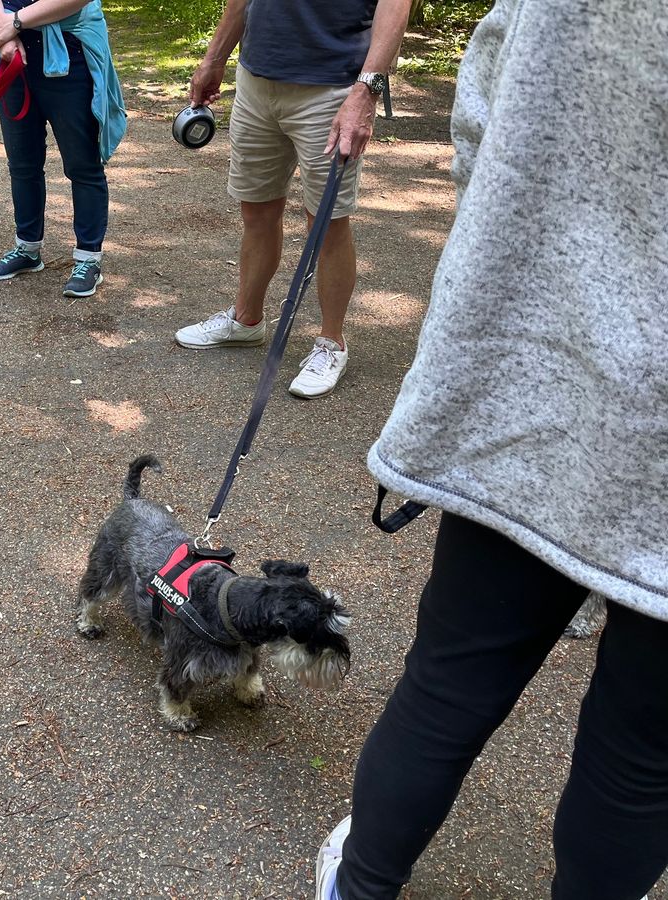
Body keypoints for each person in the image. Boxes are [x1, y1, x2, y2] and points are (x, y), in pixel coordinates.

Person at [312, 1, 668, 897]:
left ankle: (358, 887)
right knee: (642, 763)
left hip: (534, 370)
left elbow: (485, 97)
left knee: (448, 687)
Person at [174, 0, 408, 399]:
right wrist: (214, 58)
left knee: (327, 223)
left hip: (333, 88)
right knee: (257, 208)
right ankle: (246, 322)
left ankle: (331, 343)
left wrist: (367, 91)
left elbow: (395, 5)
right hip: (257, 81)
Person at [0, 0, 126, 299]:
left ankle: (88, 258)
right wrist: (1, 28)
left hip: (71, 50)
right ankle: (28, 248)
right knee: (22, 163)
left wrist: (14, 22)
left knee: (83, 165)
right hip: (10, 49)